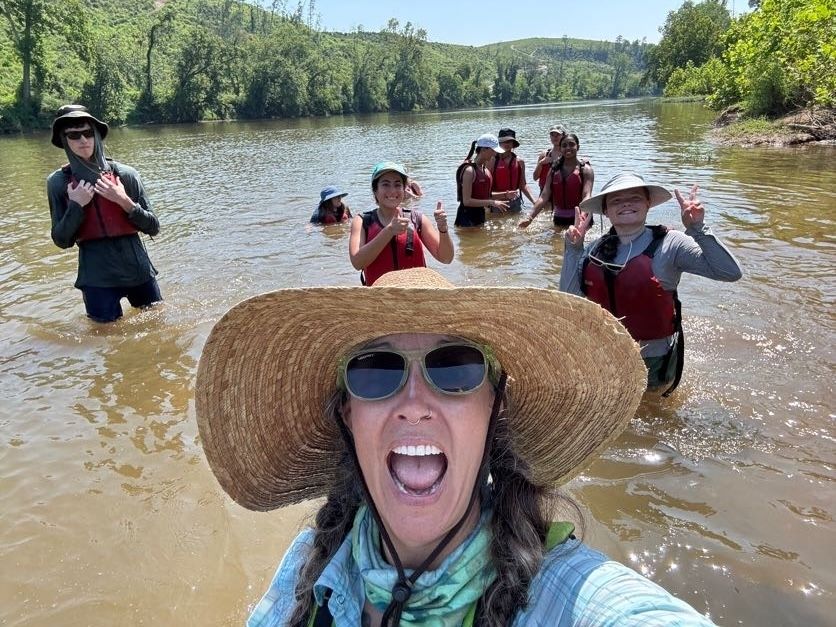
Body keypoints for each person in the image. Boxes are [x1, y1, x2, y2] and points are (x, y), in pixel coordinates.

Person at [196, 267, 717, 626]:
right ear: (347, 416)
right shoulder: (311, 562)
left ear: (496, 407)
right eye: (375, 371)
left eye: (456, 366)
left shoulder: (566, 597)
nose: (415, 403)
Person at [559, 172, 743, 395]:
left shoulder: (671, 243)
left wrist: (697, 228)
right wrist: (573, 250)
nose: (626, 203)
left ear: (648, 204)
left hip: (654, 357)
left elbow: (730, 272)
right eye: (616, 200)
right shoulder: (594, 249)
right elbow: (568, 300)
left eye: (635, 198)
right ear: (605, 211)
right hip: (605, 354)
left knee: (653, 409)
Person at [46, 104, 161, 323]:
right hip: (96, 277)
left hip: (138, 270)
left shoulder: (126, 175)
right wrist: (76, 205)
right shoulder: (58, 183)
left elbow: (153, 226)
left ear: (97, 134)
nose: (83, 140)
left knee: (158, 328)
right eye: (74, 135)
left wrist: (123, 200)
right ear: (64, 140)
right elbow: (61, 240)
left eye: (88, 133)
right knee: (106, 341)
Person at [349, 162, 452, 286]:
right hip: (378, 300)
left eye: (397, 185)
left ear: (404, 189)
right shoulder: (362, 221)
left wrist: (443, 230)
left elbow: (446, 258)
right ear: (375, 190)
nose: (392, 191)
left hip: (416, 298)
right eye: (385, 184)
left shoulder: (417, 219)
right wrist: (389, 231)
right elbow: (357, 263)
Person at [519, 132, 594, 229]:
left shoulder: (586, 170)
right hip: (559, 218)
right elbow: (544, 196)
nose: (568, 148)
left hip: (580, 217)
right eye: (564, 145)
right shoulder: (554, 170)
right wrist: (529, 218)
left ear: (578, 147)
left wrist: (582, 216)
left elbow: (587, 195)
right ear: (560, 149)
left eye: (571, 144)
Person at [454, 134, 513, 227]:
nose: (495, 154)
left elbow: (485, 196)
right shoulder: (469, 171)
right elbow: (466, 201)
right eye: (493, 151)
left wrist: (505, 194)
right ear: (483, 149)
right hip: (466, 218)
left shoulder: (485, 170)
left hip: (480, 216)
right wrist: (492, 203)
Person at [489, 128, 536, 213]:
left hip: (515, 202)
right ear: (499, 143)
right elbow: (486, 187)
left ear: (513, 143)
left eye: (510, 141)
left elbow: (523, 185)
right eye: (504, 141)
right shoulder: (491, 160)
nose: (507, 144)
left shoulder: (520, 161)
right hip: (496, 202)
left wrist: (535, 202)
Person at [531, 124, 565, 193]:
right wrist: (540, 164)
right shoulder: (544, 155)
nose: (555, 137)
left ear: (564, 136)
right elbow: (535, 177)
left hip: (562, 192)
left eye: (558, 135)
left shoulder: (567, 154)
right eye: (552, 135)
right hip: (545, 193)